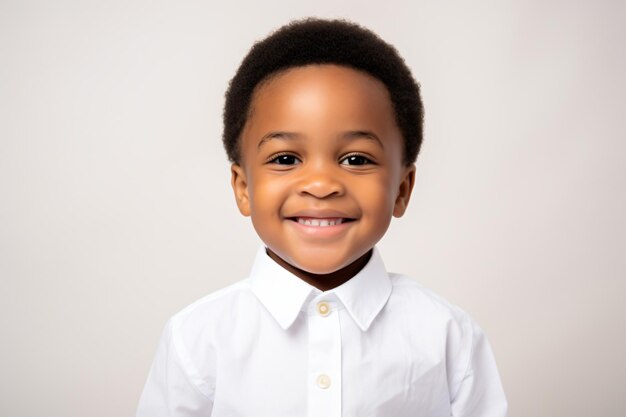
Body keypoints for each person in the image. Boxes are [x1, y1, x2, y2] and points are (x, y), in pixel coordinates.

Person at [136, 18, 507, 417]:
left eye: (356, 159)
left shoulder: (448, 337)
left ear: (402, 188)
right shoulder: (197, 339)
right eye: (285, 159)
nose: (320, 184)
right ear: (243, 187)